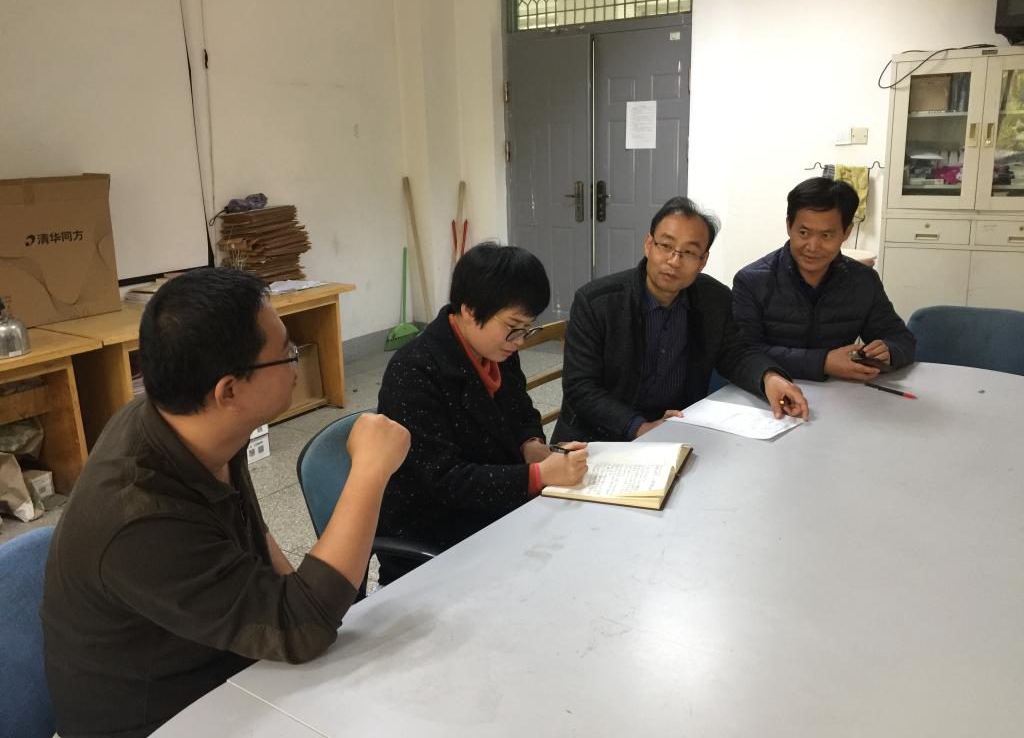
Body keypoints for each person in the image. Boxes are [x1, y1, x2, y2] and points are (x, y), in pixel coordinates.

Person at [41, 267, 410, 738]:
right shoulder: (140, 519)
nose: (296, 364)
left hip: (221, 667)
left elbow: (254, 532)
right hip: (162, 718)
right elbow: (303, 631)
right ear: (229, 390)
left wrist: (296, 597)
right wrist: (370, 472)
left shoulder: (195, 424)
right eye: (287, 355)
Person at [376, 242, 587, 584]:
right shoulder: (414, 371)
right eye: (513, 326)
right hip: (438, 537)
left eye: (527, 328)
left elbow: (520, 410)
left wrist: (532, 445)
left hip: (496, 513)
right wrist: (537, 476)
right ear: (470, 310)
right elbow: (444, 480)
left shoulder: (496, 349)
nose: (520, 341)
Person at [552, 197, 809, 444]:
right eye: (666, 246)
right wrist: (640, 427)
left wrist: (769, 378)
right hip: (597, 437)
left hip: (676, 429)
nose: (674, 261)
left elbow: (735, 353)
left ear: (703, 261)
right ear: (648, 245)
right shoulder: (597, 302)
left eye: (689, 252)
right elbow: (580, 387)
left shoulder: (713, 298)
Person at [732, 177, 915, 382]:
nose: (813, 246)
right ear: (789, 226)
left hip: (841, 392)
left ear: (846, 232)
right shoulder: (752, 281)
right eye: (803, 233)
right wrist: (824, 362)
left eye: (826, 235)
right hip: (769, 389)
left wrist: (889, 350)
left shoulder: (863, 281)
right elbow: (744, 351)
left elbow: (902, 340)